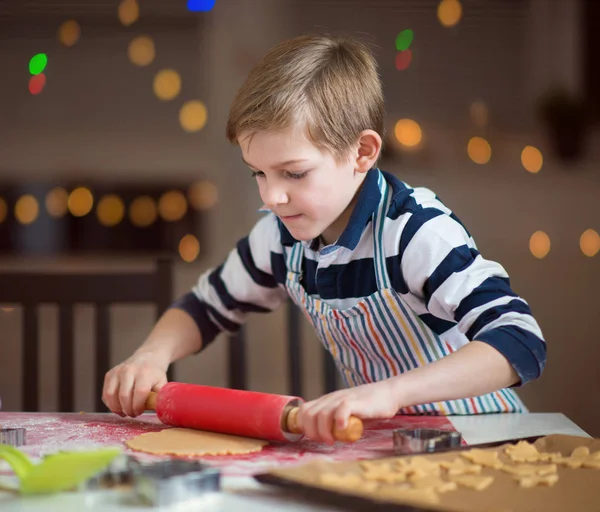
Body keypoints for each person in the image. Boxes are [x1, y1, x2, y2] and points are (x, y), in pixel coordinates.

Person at [102, 34, 546, 445]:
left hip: (484, 439)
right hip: (388, 445)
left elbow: (519, 340)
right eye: (259, 172)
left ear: (362, 152)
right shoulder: (280, 239)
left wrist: (389, 393)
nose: (272, 196)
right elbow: (204, 308)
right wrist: (150, 355)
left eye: (294, 173)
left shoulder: (414, 231)